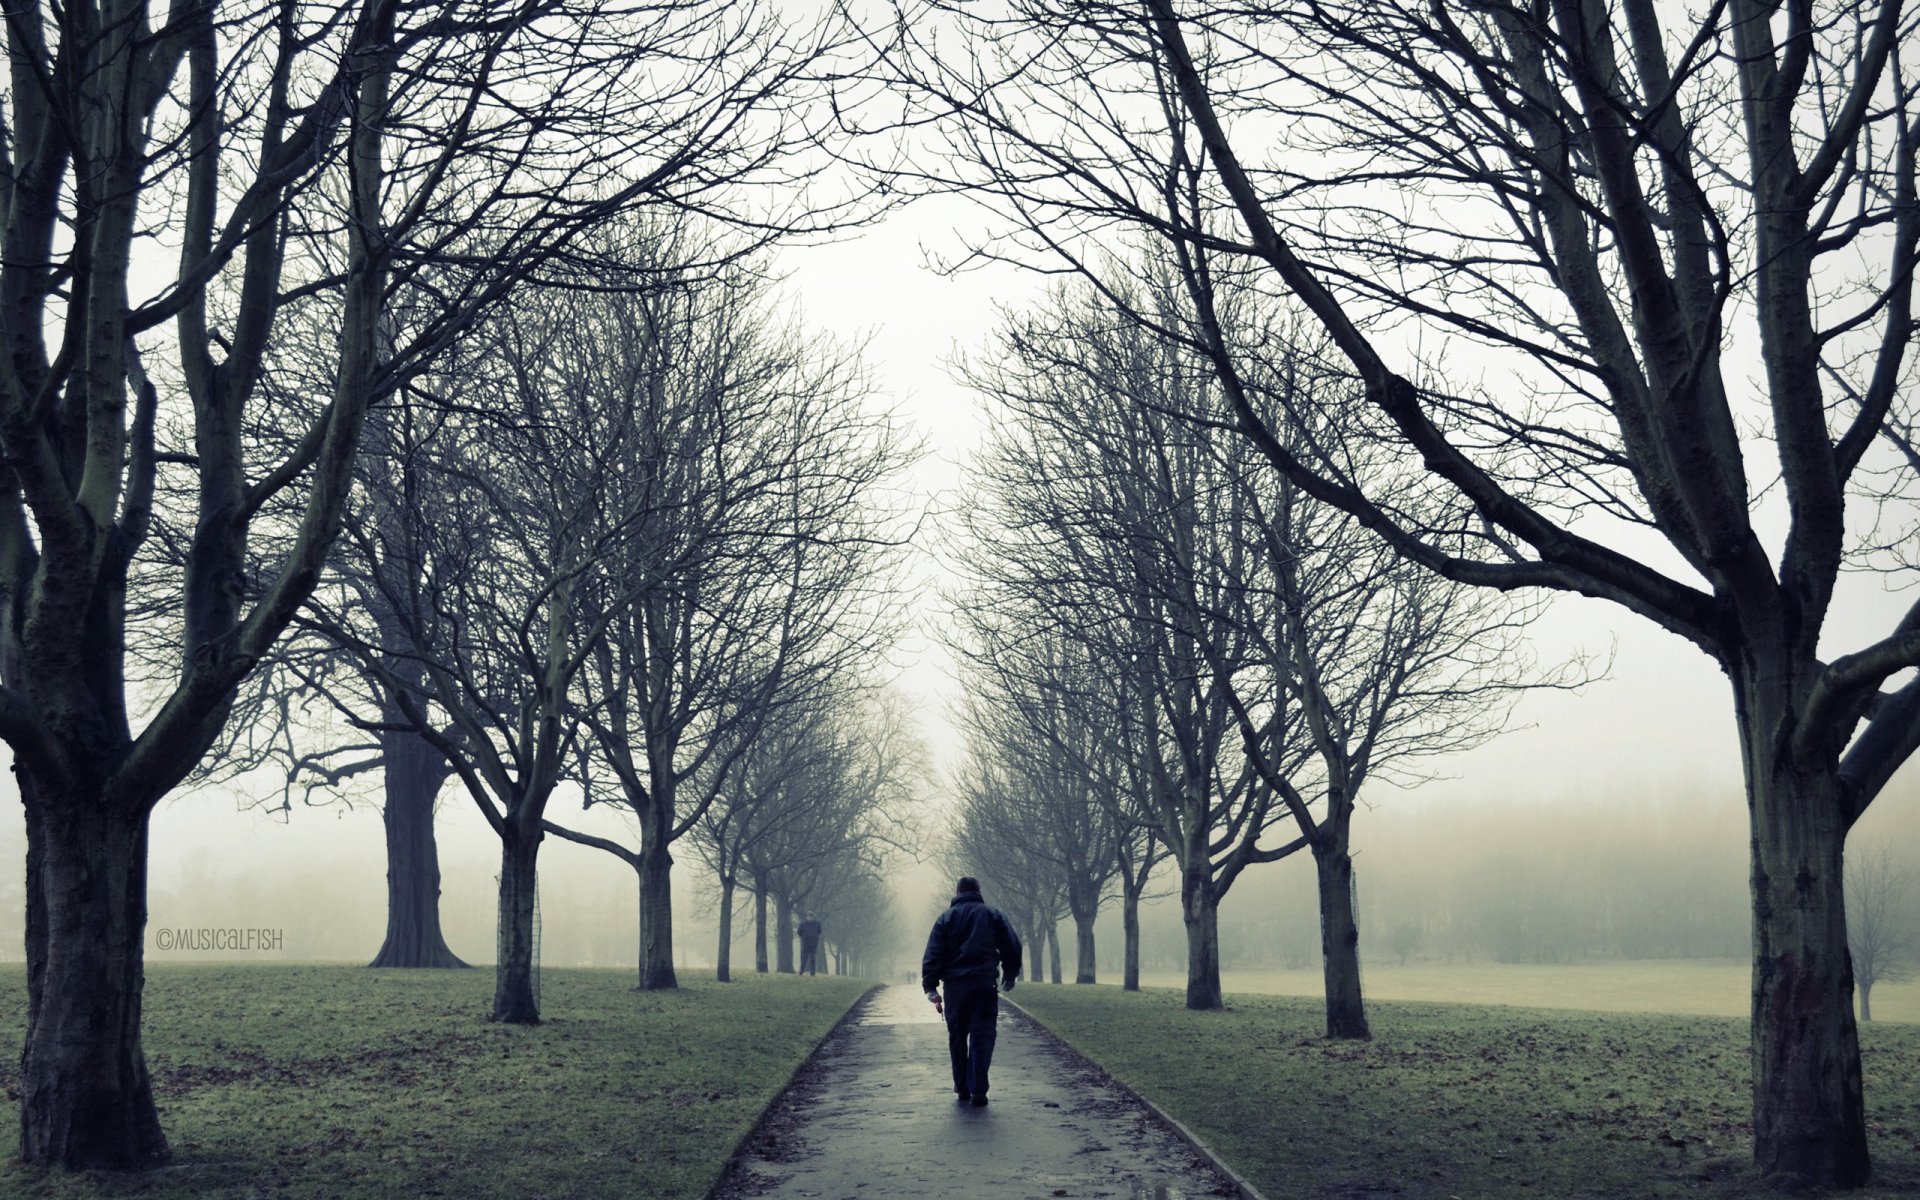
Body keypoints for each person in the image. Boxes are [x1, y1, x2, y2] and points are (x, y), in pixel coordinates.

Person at [921, 875, 1022, 1107]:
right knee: (983, 1035)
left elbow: (933, 954)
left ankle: (962, 1086)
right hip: (984, 984)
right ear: (978, 891)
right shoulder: (992, 914)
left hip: (955, 987)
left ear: (957, 893)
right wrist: (1010, 972)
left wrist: (930, 986)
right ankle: (979, 1088)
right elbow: (1012, 945)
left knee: (957, 1037)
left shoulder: (944, 919)